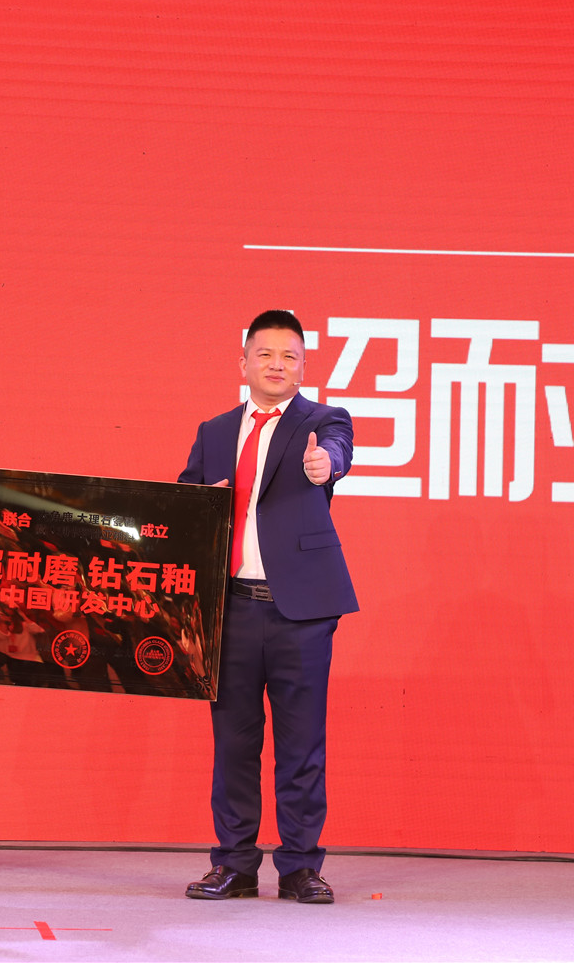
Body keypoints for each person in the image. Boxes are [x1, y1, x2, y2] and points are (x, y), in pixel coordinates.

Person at [177, 310, 358, 905]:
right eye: (266, 354)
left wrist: (325, 465)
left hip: (299, 612)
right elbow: (183, 504)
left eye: (289, 357)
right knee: (233, 744)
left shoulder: (323, 421)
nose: (277, 365)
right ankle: (234, 865)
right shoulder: (214, 431)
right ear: (244, 363)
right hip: (228, 609)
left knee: (301, 744)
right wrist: (196, 505)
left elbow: (337, 453)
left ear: (303, 367)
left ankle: (301, 867)